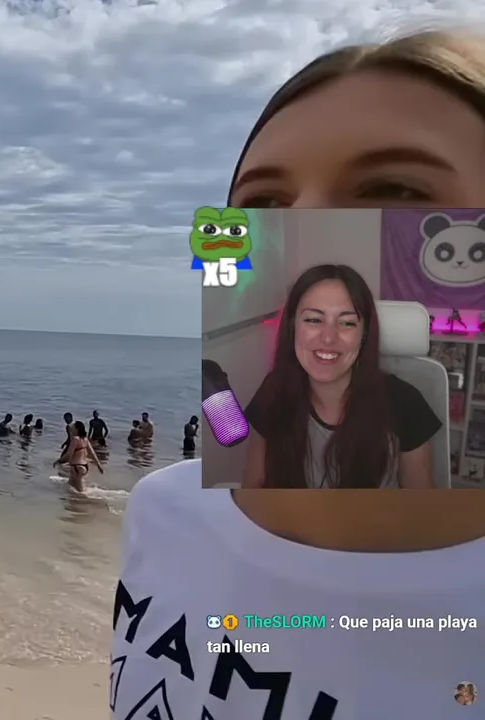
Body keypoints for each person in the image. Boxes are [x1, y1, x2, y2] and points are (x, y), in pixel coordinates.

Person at [111, 30, 485, 719]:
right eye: (261, 203)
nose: (305, 222)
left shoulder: (405, 401)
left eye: (394, 187)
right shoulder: (161, 512)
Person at [242, 264, 440, 488]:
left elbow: (420, 505)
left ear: (364, 335)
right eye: (313, 320)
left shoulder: (405, 403)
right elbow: (254, 489)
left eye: (347, 323)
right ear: (292, 327)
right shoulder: (273, 391)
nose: (328, 338)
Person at [56, 420, 102, 492]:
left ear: (77, 429)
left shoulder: (75, 439)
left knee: (81, 493)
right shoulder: (85, 439)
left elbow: (69, 454)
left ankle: (90, 499)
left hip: (77, 467)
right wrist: (99, 466)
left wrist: (59, 461)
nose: (71, 430)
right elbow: (92, 453)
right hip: (83, 467)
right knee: (70, 487)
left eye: (73, 428)